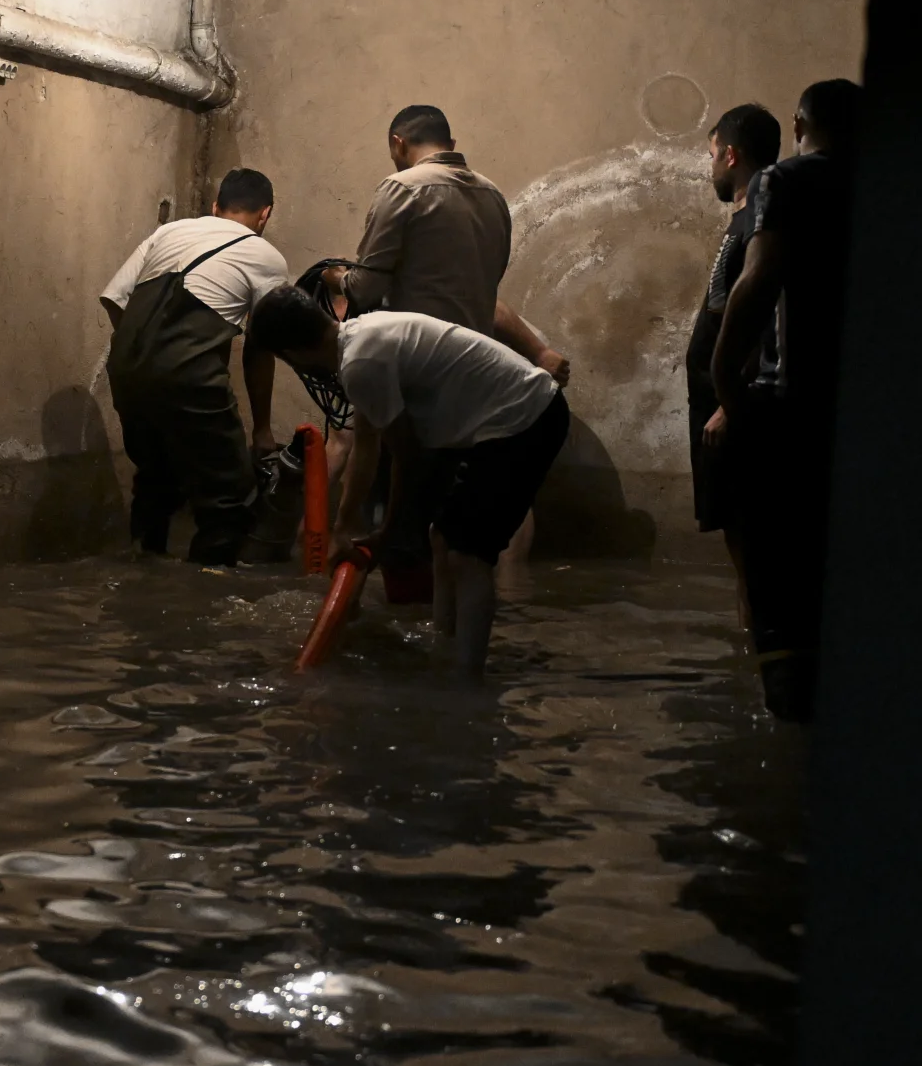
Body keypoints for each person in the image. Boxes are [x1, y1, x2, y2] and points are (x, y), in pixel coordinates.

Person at [249, 286, 570, 673]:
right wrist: (344, 526)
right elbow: (366, 446)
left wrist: (385, 534)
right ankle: (445, 648)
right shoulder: (360, 339)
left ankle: (466, 681)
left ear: (292, 354)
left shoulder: (361, 361)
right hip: (513, 418)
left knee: (469, 555)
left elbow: (407, 455)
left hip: (525, 419)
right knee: (442, 537)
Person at [323, 104, 569, 596]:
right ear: (449, 142)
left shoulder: (402, 188)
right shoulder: (493, 196)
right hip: (474, 378)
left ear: (398, 143)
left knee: (403, 515)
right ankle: (455, 621)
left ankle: (405, 620)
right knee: (454, 531)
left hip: (417, 375)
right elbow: (488, 291)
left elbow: (367, 288)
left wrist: (335, 277)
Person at [706, 78, 860, 721]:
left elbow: (759, 280)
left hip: (790, 405)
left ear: (800, 125)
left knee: (780, 586)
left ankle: (786, 734)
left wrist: (724, 378)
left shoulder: (787, 181)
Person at [100, 168, 290, 564]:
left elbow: (114, 298)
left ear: (216, 207)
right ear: (265, 214)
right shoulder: (265, 256)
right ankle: (207, 587)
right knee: (229, 497)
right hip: (190, 376)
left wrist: (147, 357)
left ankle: (143, 571)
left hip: (127, 369)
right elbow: (261, 346)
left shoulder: (169, 232)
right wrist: (262, 429)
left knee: (156, 480)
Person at [688, 103, 783, 612]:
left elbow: (762, 321)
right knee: (737, 536)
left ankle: (758, 645)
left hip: (734, 405)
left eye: (712, 156)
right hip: (721, 401)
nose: (711, 168)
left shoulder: (759, 226)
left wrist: (731, 400)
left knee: (750, 540)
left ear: (730, 155)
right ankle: (751, 640)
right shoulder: (746, 222)